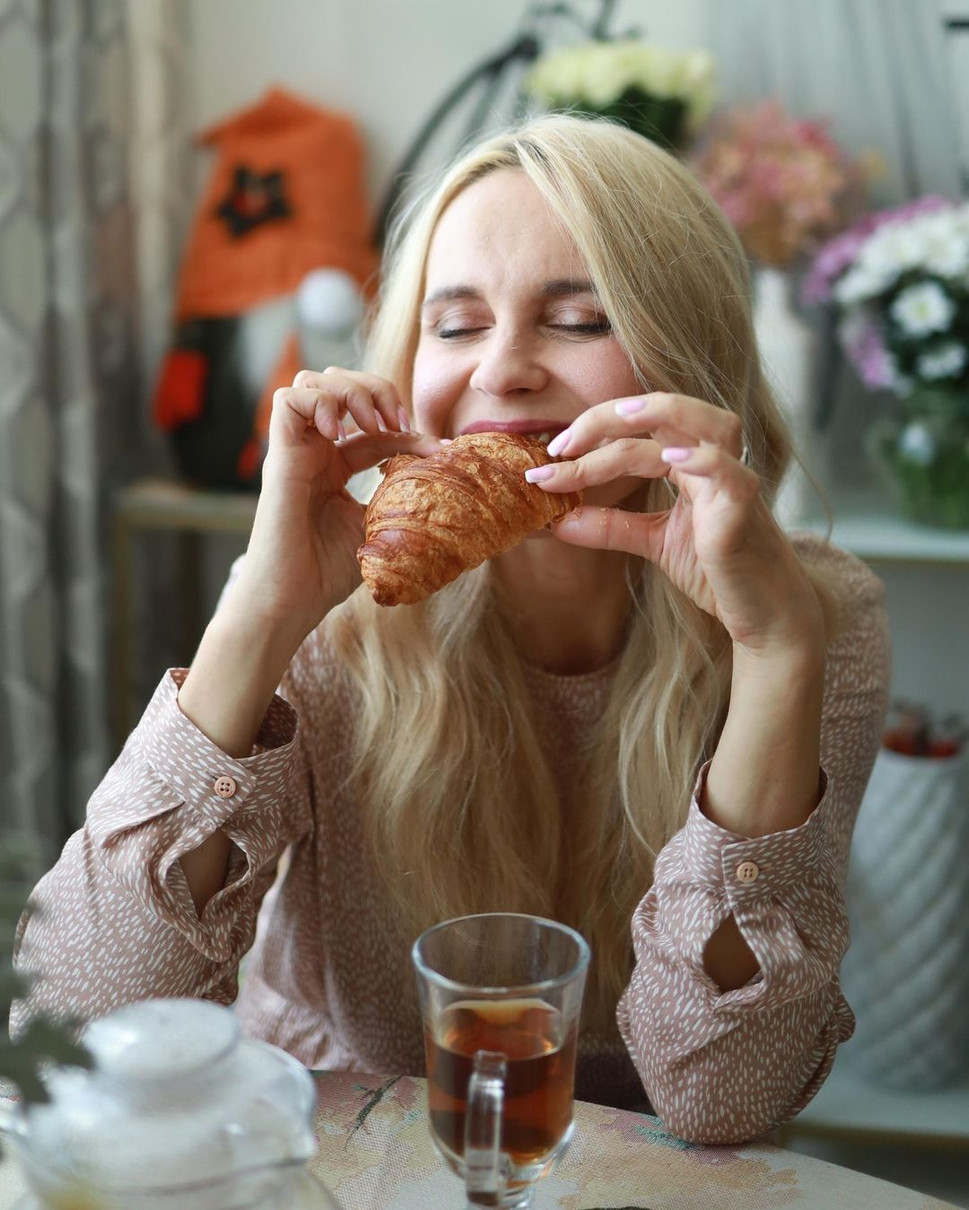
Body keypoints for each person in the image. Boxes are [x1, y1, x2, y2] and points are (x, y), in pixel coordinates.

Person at [13, 114, 889, 1145]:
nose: (502, 370)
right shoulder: (334, 614)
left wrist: (775, 656)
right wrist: (260, 611)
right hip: (333, 1158)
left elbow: (722, 1097)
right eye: (458, 326)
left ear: (691, 363)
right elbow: (72, 1043)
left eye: (579, 319)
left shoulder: (812, 621)